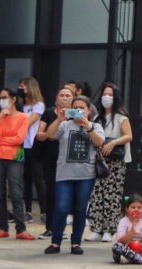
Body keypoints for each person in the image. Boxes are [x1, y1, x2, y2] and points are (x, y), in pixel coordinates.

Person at [44, 95, 105, 255]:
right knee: (61, 207)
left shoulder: (95, 126)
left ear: (89, 110)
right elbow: (50, 135)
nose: (78, 111)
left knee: (80, 209)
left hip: (86, 175)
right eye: (75, 108)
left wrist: (88, 127)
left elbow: (100, 142)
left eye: (81, 108)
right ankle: (55, 242)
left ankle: (76, 243)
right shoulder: (64, 125)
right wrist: (58, 120)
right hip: (64, 174)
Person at [85, 85, 132, 243]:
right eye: (104, 94)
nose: (107, 97)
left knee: (112, 195)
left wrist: (113, 143)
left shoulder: (121, 117)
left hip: (116, 161)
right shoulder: (97, 118)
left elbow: (129, 136)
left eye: (110, 94)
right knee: (97, 194)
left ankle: (109, 229)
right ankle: (96, 228)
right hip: (99, 160)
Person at [0, 88, 33, 239]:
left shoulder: (23, 117)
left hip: (15, 157)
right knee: (0, 193)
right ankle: (3, 228)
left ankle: (21, 229)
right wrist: (0, 118)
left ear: (13, 99)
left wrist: (0, 141)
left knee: (16, 193)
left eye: (5, 97)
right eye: (1, 98)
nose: (2, 100)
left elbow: (19, 139)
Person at [36, 85, 76, 239]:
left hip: (71, 159)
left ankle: (63, 228)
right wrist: (58, 121)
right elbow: (40, 135)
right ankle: (51, 228)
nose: (64, 98)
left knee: (67, 194)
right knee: (51, 193)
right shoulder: (48, 113)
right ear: (56, 98)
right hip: (51, 157)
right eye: (62, 95)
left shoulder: (76, 114)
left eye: (68, 95)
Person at [19, 77, 46, 224]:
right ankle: (28, 211)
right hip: (23, 145)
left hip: (35, 146)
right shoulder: (20, 106)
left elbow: (28, 122)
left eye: (23, 86)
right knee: (26, 179)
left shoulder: (39, 105)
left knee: (38, 180)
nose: (21, 89)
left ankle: (44, 211)